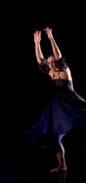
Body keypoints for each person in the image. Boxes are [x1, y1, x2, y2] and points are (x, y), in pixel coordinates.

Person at [26, 27, 86, 174]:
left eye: (53, 62)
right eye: (50, 62)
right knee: (54, 137)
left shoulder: (65, 70)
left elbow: (58, 56)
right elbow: (40, 60)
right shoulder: (51, 71)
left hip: (71, 103)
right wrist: (37, 44)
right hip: (57, 107)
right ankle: (62, 165)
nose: (50, 64)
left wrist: (51, 38)